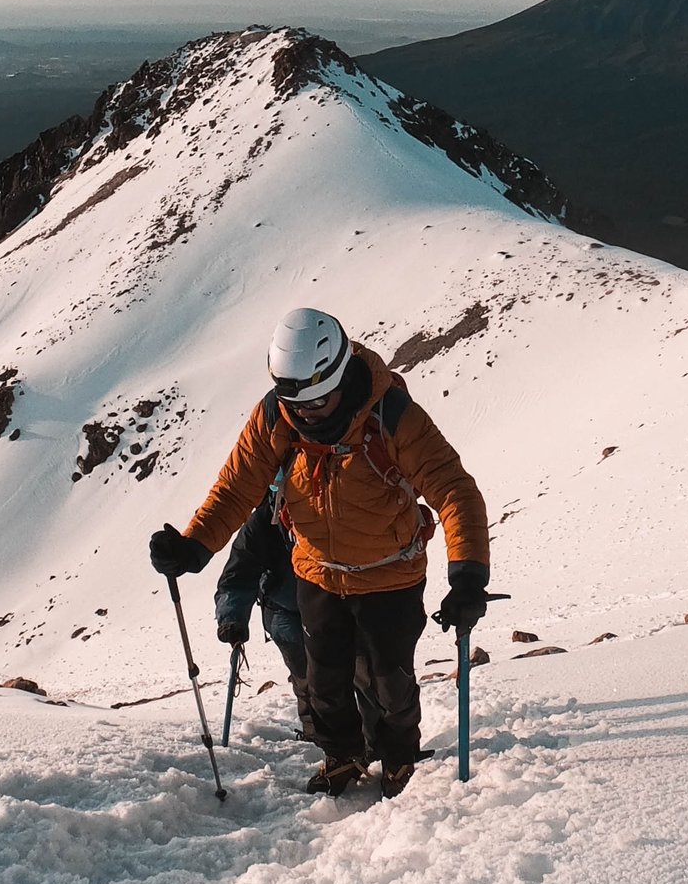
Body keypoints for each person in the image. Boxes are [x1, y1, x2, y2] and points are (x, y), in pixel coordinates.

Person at [150, 307, 490, 798]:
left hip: (390, 575)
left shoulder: (392, 417)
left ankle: (397, 759)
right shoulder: (276, 416)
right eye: (298, 404)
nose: (308, 415)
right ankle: (342, 756)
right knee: (323, 678)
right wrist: (192, 546)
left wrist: (468, 575)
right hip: (317, 573)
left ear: (340, 373)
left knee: (389, 681)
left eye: (318, 402)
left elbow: (453, 490)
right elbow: (236, 488)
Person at [212, 498, 381, 753]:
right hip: (290, 612)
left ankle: (373, 743)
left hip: (332, 606)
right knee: (315, 678)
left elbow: (238, 573)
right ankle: (326, 743)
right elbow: (239, 573)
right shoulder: (263, 523)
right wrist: (231, 617)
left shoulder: (331, 503)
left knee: (357, 673)